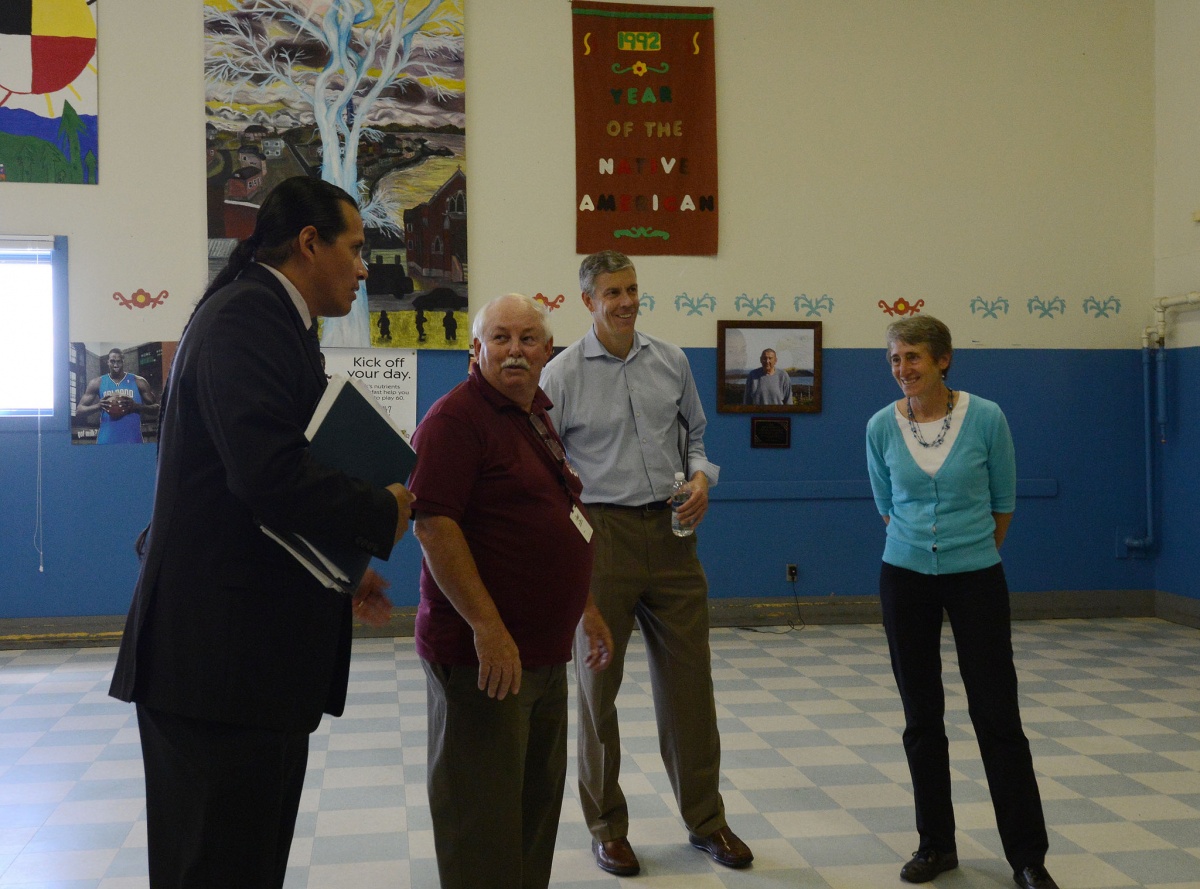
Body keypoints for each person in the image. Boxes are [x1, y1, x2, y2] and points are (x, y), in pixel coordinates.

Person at [108, 177, 414, 889]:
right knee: (213, 867)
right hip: (215, 671)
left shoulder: (274, 322)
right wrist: (381, 512)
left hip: (248, 664)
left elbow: (248, 493)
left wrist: (341, 565)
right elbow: (269, 474)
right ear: (310, 244)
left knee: (243, 863)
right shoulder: (247, 318)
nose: (366, 267)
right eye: (357, 247)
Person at [540, 250, 753, 876]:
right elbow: (549, 468)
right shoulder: (562, 375)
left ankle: (706, 820)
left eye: (632, 289)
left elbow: (696, 438)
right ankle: (607, 826)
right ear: (588, 300)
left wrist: (700, 478)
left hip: (673, 532)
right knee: (597, 688)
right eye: (613, 292)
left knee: (692, 687)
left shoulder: (672, 361)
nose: (627, 301)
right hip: (601, 538)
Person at [408, 293, 613, 889]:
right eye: (500, 338)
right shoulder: (456, 419)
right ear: (476, 350)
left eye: (528, 339)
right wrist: (487, 629)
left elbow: (560, 515)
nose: (515, 350)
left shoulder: (533, 413)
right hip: (485, 659)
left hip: (543, 655)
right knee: (482, 823)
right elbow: (433, 524)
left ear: (548, 351)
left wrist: (587, 608)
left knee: (530, 815)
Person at [865, 316, 1059, 889]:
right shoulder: (880, 426)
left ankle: (1027, 857)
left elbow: (1004, 503)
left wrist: (963, 553)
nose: (903, 369)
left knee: (998, 716)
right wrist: (924, 554)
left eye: (914, 358)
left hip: (976, 577)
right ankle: (936, 845)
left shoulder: (988, 418)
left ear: (943, 360)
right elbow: (886, 504)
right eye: (895, 360)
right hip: (904, 577)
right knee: (921, 717)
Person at [76, 348, 160, 443]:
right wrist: (99, 406)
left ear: (123, 361)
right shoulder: (97, 383)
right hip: (106, 441)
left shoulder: (139, 381)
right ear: (107, 362)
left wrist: (136, 406)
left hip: (133, 440)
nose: (115, 365)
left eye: (119, 361)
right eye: (112, 361)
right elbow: (79, 411)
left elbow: (157, 409)